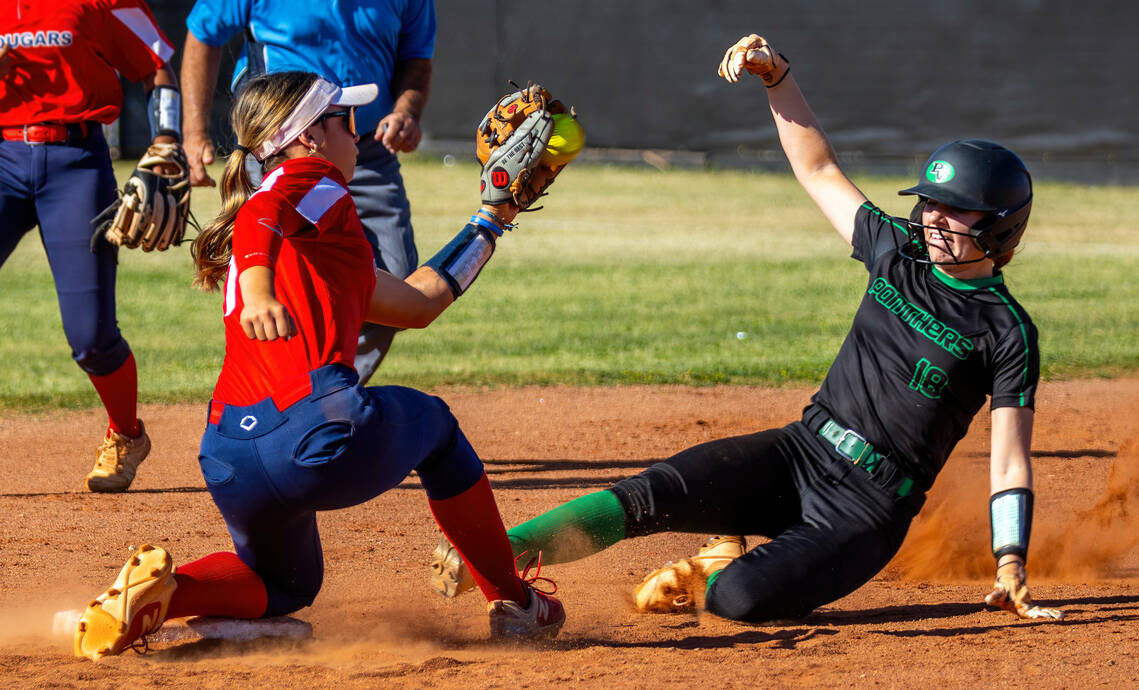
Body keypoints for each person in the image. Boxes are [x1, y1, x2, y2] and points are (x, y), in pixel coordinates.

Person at [430, 34, 1063, 624]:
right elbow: (818, 169)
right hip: (800, 451)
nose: (932, 216)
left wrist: (1010, 558)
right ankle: (494, 554)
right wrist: (777, 78)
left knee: (736, 601)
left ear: (1000, 228)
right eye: (929, 201)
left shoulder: (1006, 331)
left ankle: (718, 561)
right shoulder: (894, 250)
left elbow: (1009, 458)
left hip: (866, 511)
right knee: (648, 493)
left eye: (954, 209)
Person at [73, 71, 565, 661]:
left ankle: (164, 594)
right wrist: (257, 291)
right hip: (314, 438)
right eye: (346, 122)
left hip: (229, 453)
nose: (358, 137)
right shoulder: (311, 181)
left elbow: (419, 302)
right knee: (435, 426)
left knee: (287, 584)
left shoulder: (323, 239)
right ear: (306, 137)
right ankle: (512, 601)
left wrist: (491, 217)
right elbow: (262, 215)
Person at [181, 0, 435, 385]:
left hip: (365, 148)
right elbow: (203, 34)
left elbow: (416, 57)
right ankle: (292, 401)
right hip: (284, 149)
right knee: (285, 280)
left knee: (398, 283)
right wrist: (193, 132)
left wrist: (407, 112)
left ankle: (324, 395)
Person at [0, 0, 182, 492]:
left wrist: (167, 137)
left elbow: (156, 64)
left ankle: (126, 434)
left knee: (92, 335)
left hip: (74, 162)